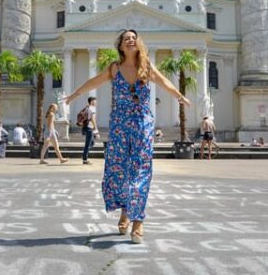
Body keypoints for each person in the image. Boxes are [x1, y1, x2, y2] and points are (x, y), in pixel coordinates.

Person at [64, 29, 191, 244]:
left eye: (134, 38)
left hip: (142, 123)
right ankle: (125, 210)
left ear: (138, 43)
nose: (131, 40)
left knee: (141, 170)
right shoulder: (115, 68)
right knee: (119, 169)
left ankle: (138, 221)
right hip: (120, 124)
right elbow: (94, 81)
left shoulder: (146, 67)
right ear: (121, 45)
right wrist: (74, 95)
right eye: (126, 38)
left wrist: (180, 97)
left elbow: (164, 82)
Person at [81, 96, 98, 165]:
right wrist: (96, 128)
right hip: (89, 128)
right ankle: (85, 159)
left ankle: (84, 154)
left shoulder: (87, 107)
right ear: (91, 101)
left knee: (92, 142)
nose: (96, 102)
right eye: (94, 101)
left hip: (86, 127)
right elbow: (93, 119)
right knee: (88, 144)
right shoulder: (92, 108)